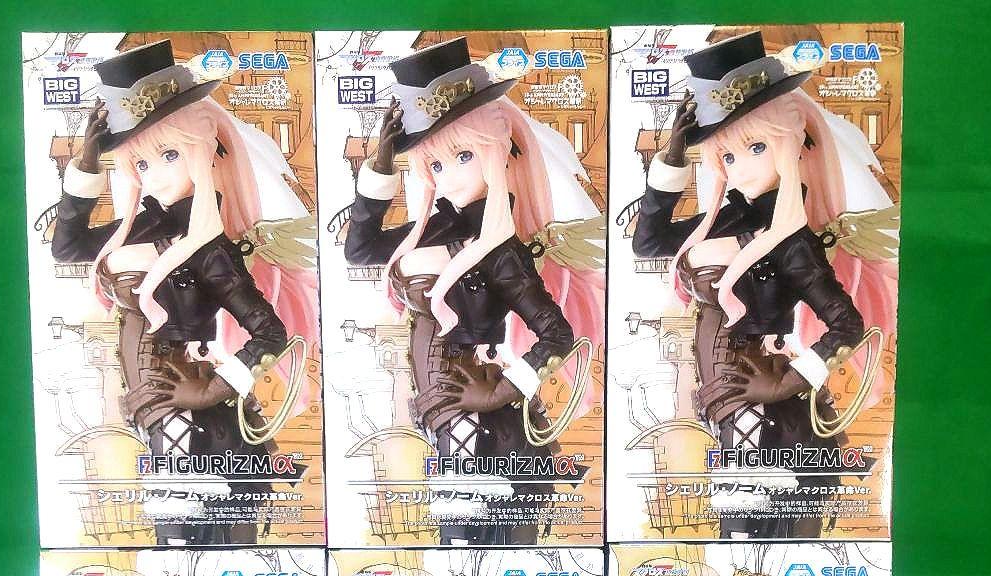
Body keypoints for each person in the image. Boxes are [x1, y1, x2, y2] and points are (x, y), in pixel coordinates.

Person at [51, 39, 318, 545]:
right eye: (141, 163)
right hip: (159, 416)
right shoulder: (138, 228)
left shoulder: (211, 248)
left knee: (211, 540)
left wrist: (212, 388)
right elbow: (67, 247)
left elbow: (271, 332)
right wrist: (86, 164)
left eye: (168, 155)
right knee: (176, 542)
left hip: (200, 421)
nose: (152, 174)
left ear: (206, 153)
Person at [633, 31, 897, 538]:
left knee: (777, 532)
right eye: (728, 156)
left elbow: (847, 324)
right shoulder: (726, 219)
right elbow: (648, 242)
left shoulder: (792, 238)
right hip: (730, 409)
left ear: (788, 145)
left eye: (756, 147)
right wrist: (673, 158)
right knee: (740, 532)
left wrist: (786, 380)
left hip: (775, 410)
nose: (740, 167)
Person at [344, 37, 604, 544]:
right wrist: (380, 166)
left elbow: (557, 333)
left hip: (487, 418)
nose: (447, 176)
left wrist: (504, 388)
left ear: (495, 154)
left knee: (497, 537)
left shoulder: (501, 250)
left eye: (463, 156)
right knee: (458, 539)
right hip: (441, 413)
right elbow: (360, 249)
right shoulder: (431, 229)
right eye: (436, 165)